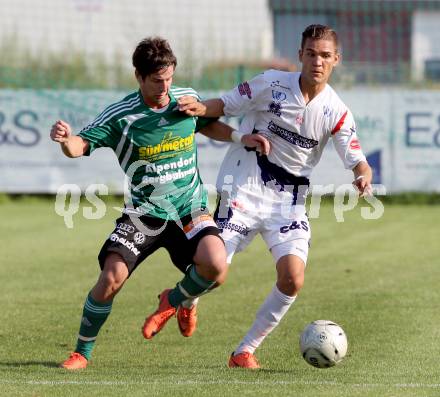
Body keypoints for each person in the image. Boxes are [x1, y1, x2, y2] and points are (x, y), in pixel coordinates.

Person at [50, 36, 268, 370]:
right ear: (138, 76)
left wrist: (240, 138)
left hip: (188, 207)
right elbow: (79, 145)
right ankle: (82, 351)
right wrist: (66, 141)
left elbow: (208, 124)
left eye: (169, 78)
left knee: (217, 268)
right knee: (111, 278)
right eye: (157, 80)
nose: (165, 86)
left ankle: (177, 299)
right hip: (144, 213)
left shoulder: (185, 99)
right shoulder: (120, 116)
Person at [178, 24, 373, 369]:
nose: (317, 61)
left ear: (336, 60)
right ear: (300, 55)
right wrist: (199, 108)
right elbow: (225, 103)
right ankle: (187, 301)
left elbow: (354, 155)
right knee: (213, 269)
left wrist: (362, 173)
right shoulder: (270, 83)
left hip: (288, 201)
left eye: (325, 55)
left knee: (293, 278)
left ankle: (244, 351)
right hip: (244, 187)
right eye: (311, 53)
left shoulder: (336, 110)